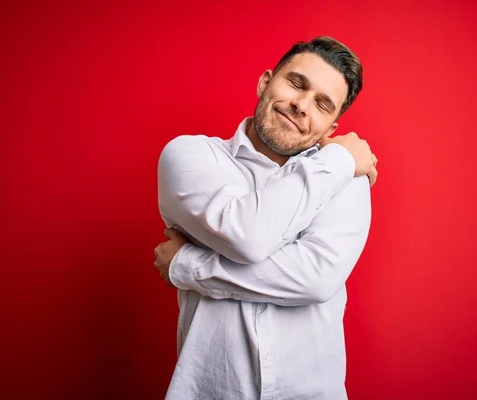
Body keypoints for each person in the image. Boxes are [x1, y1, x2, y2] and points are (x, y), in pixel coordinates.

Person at [154, 36, 378, 399]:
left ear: (330, 130)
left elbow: (315, 280)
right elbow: (248, 237)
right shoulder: (189, 156)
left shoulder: (346, 182)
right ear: (265, 82)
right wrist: (338, 159)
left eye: (323, 104)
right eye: (296, 83)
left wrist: (188, 265)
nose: (301, 105)